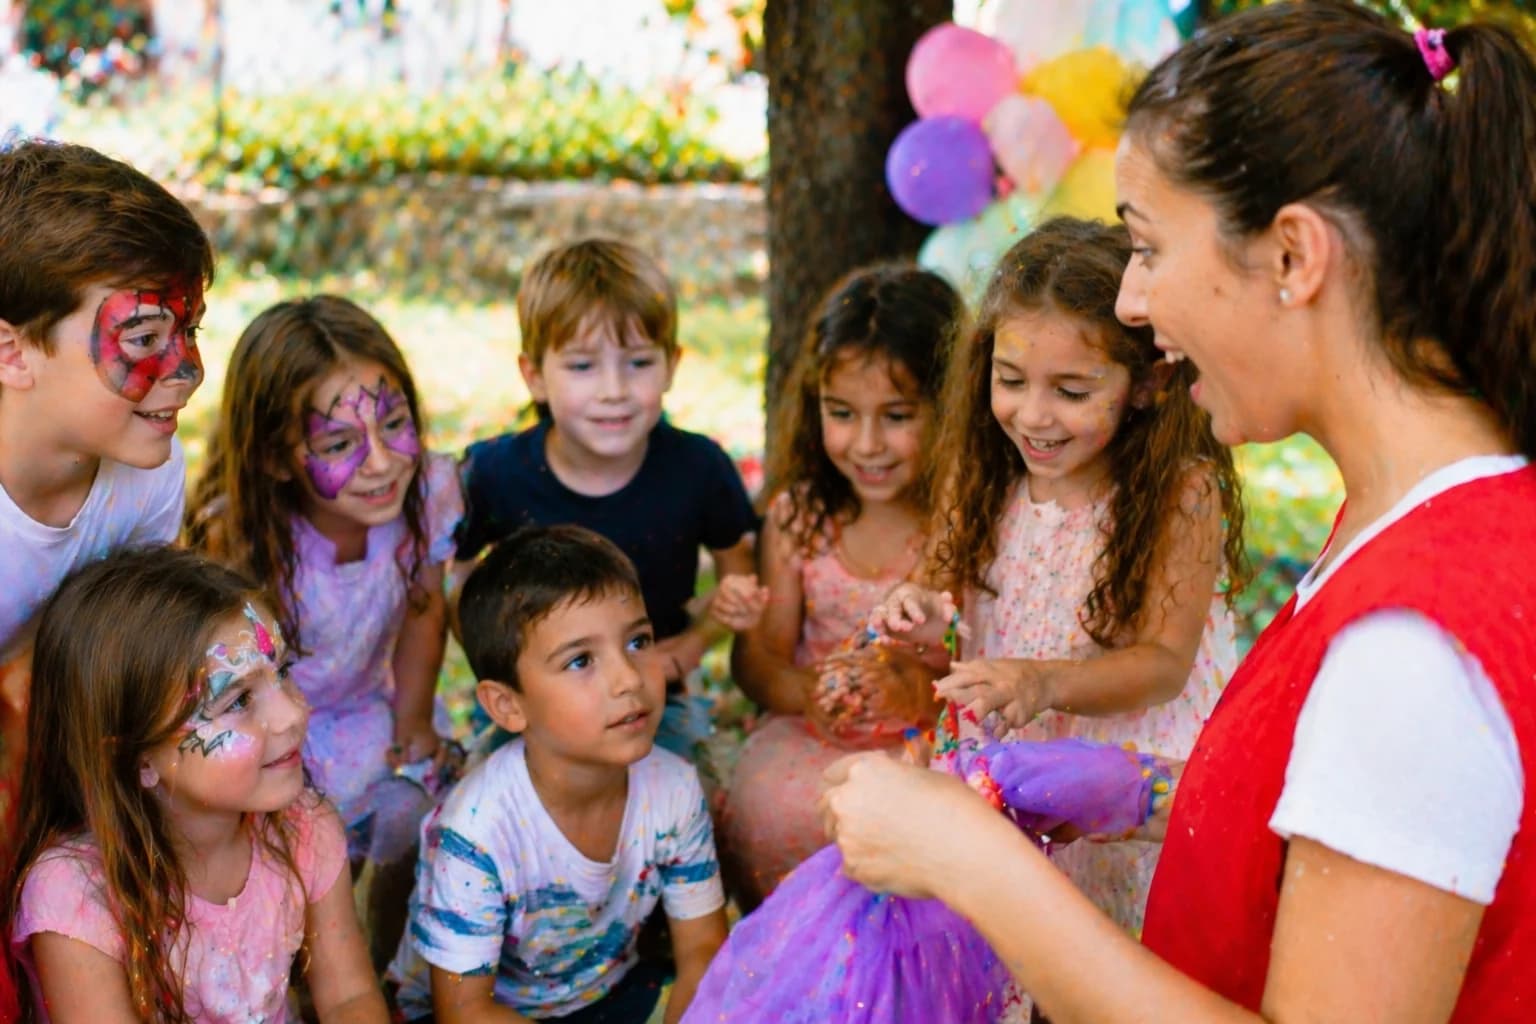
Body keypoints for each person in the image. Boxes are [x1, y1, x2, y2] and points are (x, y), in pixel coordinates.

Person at [822, 3, 1536, 1020]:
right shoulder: (1419, 522)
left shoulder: (1411, 648)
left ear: (1292, 257)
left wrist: (965, 858)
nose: (1131, 305)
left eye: (1148, 250)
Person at [872, 216, 1243, 940]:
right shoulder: (982, 474)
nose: (1033, 415)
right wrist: (918, 616)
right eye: (1010, 381)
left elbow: (1164, 666)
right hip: (1009, 766)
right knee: (1017, 946)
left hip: (1126, 779)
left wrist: (1040, 682)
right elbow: (941, 605)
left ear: (1148, 383)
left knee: (1106, 953)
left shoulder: (1180, 493)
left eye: (1072, 391)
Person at [0, 143, 212, 1019]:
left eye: (191, 329)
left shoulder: (146, 472)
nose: (188, 370)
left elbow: (111, 667)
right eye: (144, 338)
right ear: (14, 354)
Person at [187, 295, 462, 968]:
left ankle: (391, 969)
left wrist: (416, 719)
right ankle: (301, 975)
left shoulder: (427, 493)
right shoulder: (244, 534)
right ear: (278, 459)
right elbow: (222, 681)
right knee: (286, 855)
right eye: (339, 444)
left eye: (395, 424)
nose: (380, 462)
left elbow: (426, 612)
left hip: (370, 711)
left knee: (418, 812)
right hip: (274, 727)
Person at [4, 546, 386, 1022]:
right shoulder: (76, 895)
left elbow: (349, 998)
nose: (291, 713)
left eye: (282, 672)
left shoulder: (304, 827)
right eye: (239, 700)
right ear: (135, 756)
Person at [388, 525, 728, 1024]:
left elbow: (702, 949)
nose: (628, 679)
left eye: (638, 641)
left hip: (609, 995)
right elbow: (463, 1010)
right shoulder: (476, 832)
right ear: (507, 705)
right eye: (581, 660)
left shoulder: (674, 788)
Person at [451, 237, 761, 762]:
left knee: (688, 806)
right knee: (492, 810)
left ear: (671, 365)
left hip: (651, 698)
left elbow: (739, 577)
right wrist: (510, 678)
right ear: (534, 376)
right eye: (582, 367)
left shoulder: (699, 468)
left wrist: (689, 647)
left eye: (638, 363)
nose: (613, 389)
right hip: (535, 709)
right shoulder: (493, 474)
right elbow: (454, 585)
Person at [719, 263, 963, 908]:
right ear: (814, 405)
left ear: (953, 404)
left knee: (945, 822)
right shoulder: (801, 517)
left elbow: (990, 652)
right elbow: (761, 659)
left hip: (936, 737)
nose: (867, 443)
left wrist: (914, 695)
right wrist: (813, 690)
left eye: (898, 415)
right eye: (842, 413)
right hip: (814, 734)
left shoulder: (965, 516)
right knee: (772, 809)